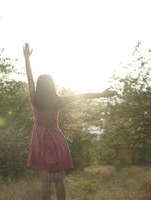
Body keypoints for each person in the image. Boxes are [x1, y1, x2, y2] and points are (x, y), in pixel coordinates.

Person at [23, 43, 117, 200]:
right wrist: (101, 94)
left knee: (45, 182)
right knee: (60, 181)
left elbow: (29, 77)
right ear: (52, 86)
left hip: (40, 140)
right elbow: (82, 95)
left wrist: (26, 58)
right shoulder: (58, 100)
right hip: (57, 139)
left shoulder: (34, 98)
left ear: (39, 86)